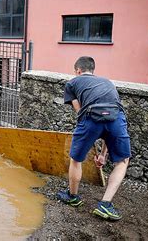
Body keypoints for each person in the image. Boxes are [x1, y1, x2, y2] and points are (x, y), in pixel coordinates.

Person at [57, 56, 131, 221]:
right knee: (122, 161)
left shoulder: (72, 83)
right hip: (116, 117)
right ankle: (105, 204)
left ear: (78, 71)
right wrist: (103, 154)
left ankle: (73, 197)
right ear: (93, 70)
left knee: (76, 159)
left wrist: (90, 139)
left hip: (90, 117)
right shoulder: (108, 83)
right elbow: (108, 118)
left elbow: (80, 112)